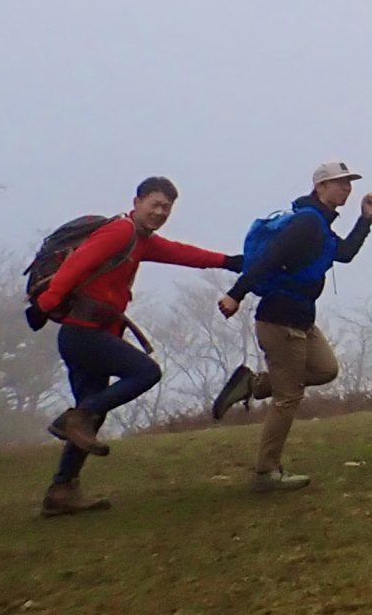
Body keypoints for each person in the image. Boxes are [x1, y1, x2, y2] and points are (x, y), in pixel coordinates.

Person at [34, 176, 244, 517]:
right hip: (83, 334)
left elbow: (180, 253)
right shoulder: (120, 232)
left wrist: (228, 261)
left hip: (92, 333)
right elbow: (78, 263)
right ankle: (76, 420)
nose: (160, 212)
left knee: (90, 415)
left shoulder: (141, 240)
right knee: (145, 372)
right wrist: (48, 302)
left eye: (167, 208)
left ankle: (61, 490)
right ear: (137, 202)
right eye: (155, 204)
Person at [211, 160, 372, 493]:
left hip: (303, 321)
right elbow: (268, 258)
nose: (347, 188)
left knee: (326, 370)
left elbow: (343, 254)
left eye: (348, 183)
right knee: (288, 396)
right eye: (339, 182)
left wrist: (365, 219)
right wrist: (235, 294)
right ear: (320, 187)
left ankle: (253, 384)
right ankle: (265, 473)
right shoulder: (307, 223)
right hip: (279, 320)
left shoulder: (322, 226)